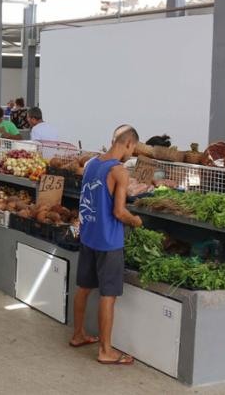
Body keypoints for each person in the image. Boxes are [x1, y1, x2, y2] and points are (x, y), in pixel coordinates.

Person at [71, 125, 143, 366]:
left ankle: (78, 334)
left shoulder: (91, 164)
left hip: (88, 235)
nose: (131, 154)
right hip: (109, 242)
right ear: (129, 143)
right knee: (108, 295)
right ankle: (105, 350)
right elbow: (119, 211)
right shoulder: (119, 171)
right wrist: (135, 221)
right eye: (133, 149)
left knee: (83, 287)